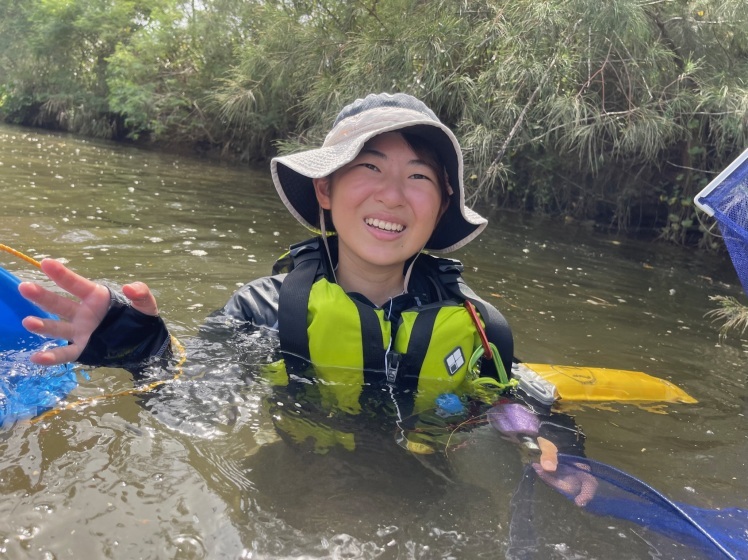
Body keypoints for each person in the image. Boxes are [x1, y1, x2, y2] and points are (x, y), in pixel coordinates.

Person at [18, 92, 571, 476]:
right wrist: (143, 351)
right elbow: (202, 413)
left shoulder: (481, 325)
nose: (393, 195)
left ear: (442, 205)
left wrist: (556, 443)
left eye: (419, 176)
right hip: (304, 474)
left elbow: (511, 401)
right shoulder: (259, 310)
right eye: (370, 168)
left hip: (428, 479)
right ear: (325, 190)